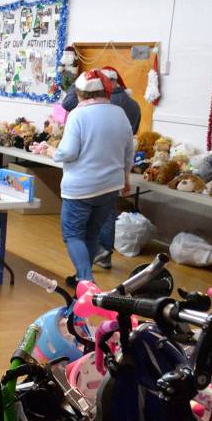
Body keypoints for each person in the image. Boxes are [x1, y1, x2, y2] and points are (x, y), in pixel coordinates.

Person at [53, 69, 134, 287]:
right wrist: (126, 178)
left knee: (72, 234)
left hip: (81, 187)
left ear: (79, 93)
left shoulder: (78, 115)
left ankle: (86, 279)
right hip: (110, 186)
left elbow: (69, 151)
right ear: (107, 91)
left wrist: (52, 152)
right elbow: (128, 151)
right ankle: (81, 278)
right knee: (92, 232)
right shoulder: (120, 113)